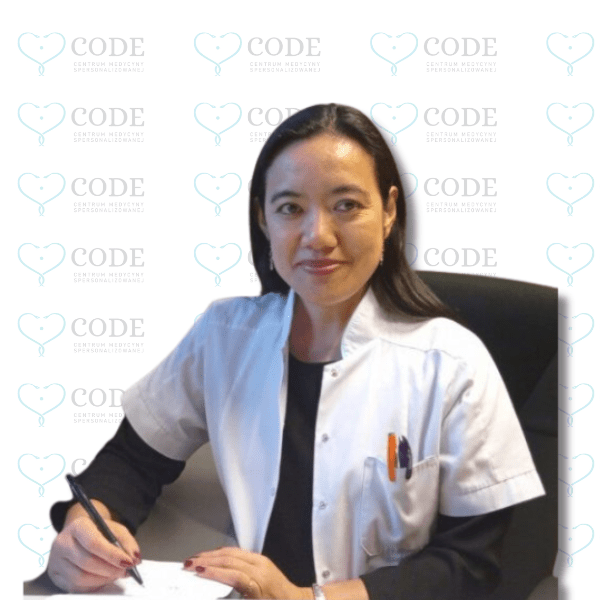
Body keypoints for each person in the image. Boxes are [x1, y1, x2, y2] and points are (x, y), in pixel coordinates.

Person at [47, 103, 545, 599]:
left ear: (389, 210)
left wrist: (307, 599)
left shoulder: (452, 363)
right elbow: (133, 460)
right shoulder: (225, 335)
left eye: (346, 205)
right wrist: (84, 530)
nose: (318, 236)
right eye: (290, 208)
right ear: (263, 219)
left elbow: (469, 565)